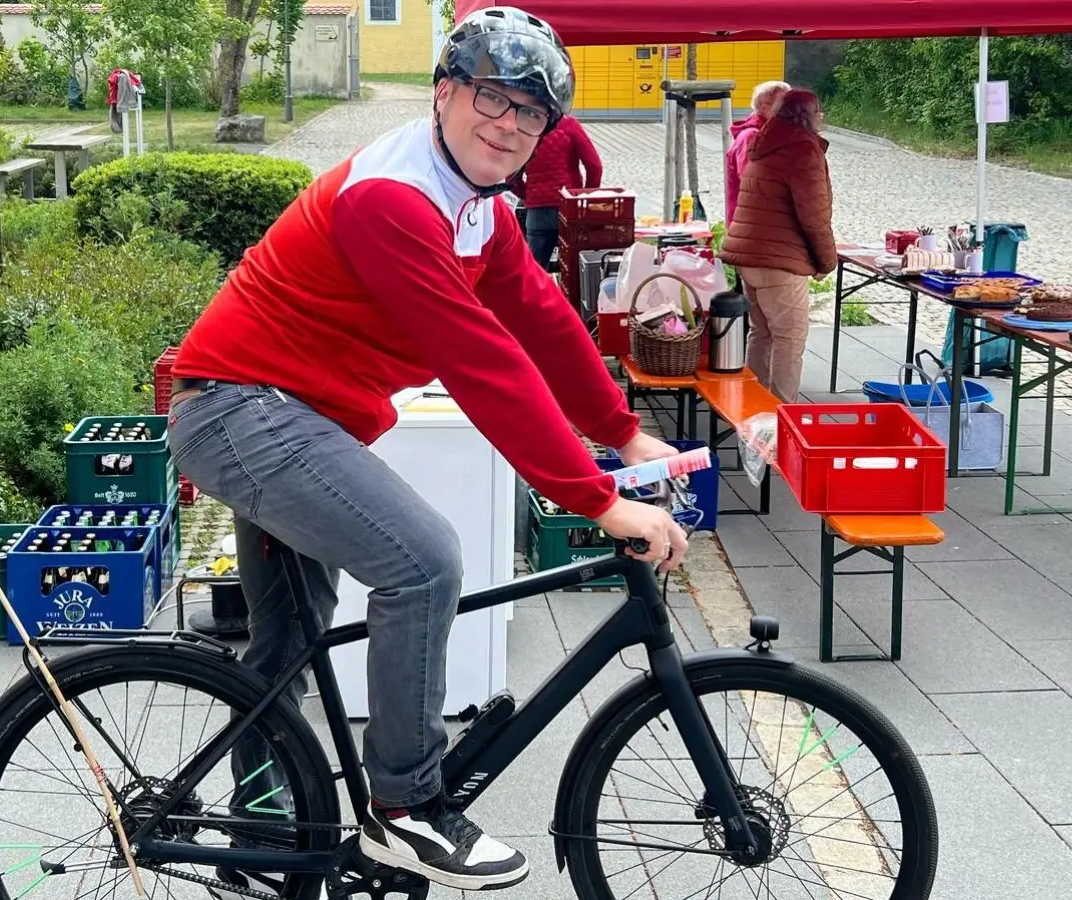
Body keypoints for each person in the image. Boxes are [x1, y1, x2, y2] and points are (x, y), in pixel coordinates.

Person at [164, 6, 689, 894]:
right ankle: (407, 804)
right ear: (445, 92)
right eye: (493, 96)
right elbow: (482, 364)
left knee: (285, 645)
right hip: (241, 411)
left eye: (533, 113)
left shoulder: (476, 203)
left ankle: (257, 842)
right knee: (425, 563)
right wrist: (597, 497)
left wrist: (624, 429)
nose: (511, 124)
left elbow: (543, 321)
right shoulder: (393, 199)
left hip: (291, 415)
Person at [721, 89, 837, 402]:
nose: (822, 116)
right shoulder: (803, 150)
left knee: (761, 333)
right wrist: (827, 261)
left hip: (749, 256)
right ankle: (780, 420)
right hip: (780, 261)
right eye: (819, 111)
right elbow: (814, 216)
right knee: (789, 339)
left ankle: (752, 409)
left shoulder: (764, 143)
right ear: (809, 115)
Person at [513, 110, 603, 270]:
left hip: (537, 212)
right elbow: (594, 166)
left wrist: (529, 195)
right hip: (569, 208)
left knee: (535, 270)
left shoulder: (527, 126)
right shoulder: (569, 125)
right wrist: (584, 196)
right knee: (573, 270)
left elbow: (511, 177)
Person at [725, 79, 789, 225]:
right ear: (764, 107)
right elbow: (752, 183)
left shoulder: (773, 134)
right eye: (785, 106)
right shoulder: (751, 136)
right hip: (751, 224)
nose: (791, 110)